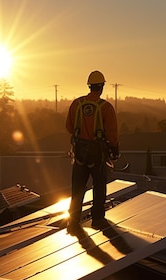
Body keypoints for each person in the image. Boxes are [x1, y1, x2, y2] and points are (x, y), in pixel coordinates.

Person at [65, 70, 119, 236]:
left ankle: (73, 221)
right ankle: (97, 219)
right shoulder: (106, 108)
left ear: (89, 86)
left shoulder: (77, 104)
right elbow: (112, 134)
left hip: (80, 152)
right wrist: (115, 149)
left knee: (78, 187)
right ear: (101, 87)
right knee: (99, 186)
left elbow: (69, 127)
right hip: (97, 153)